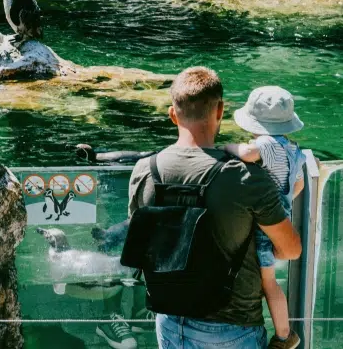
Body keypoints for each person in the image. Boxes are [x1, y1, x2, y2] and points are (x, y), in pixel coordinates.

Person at [128, 67, 302, 349]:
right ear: (220, 111)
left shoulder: (145, 170)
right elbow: (292, 249)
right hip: (232, 328)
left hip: (170, 320)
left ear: (173, 114)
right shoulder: (246, 177)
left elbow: (143, 244)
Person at [224, 87, 307, 349]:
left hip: (263, 224)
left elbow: (248, 154)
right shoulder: (293, 150)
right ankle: (284, 334)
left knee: (268, 282)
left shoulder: (266, 144)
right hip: (281, 217)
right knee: (270, 279)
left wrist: (226, 146)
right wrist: (281, 204)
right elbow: (299, 186)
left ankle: (285, 336)